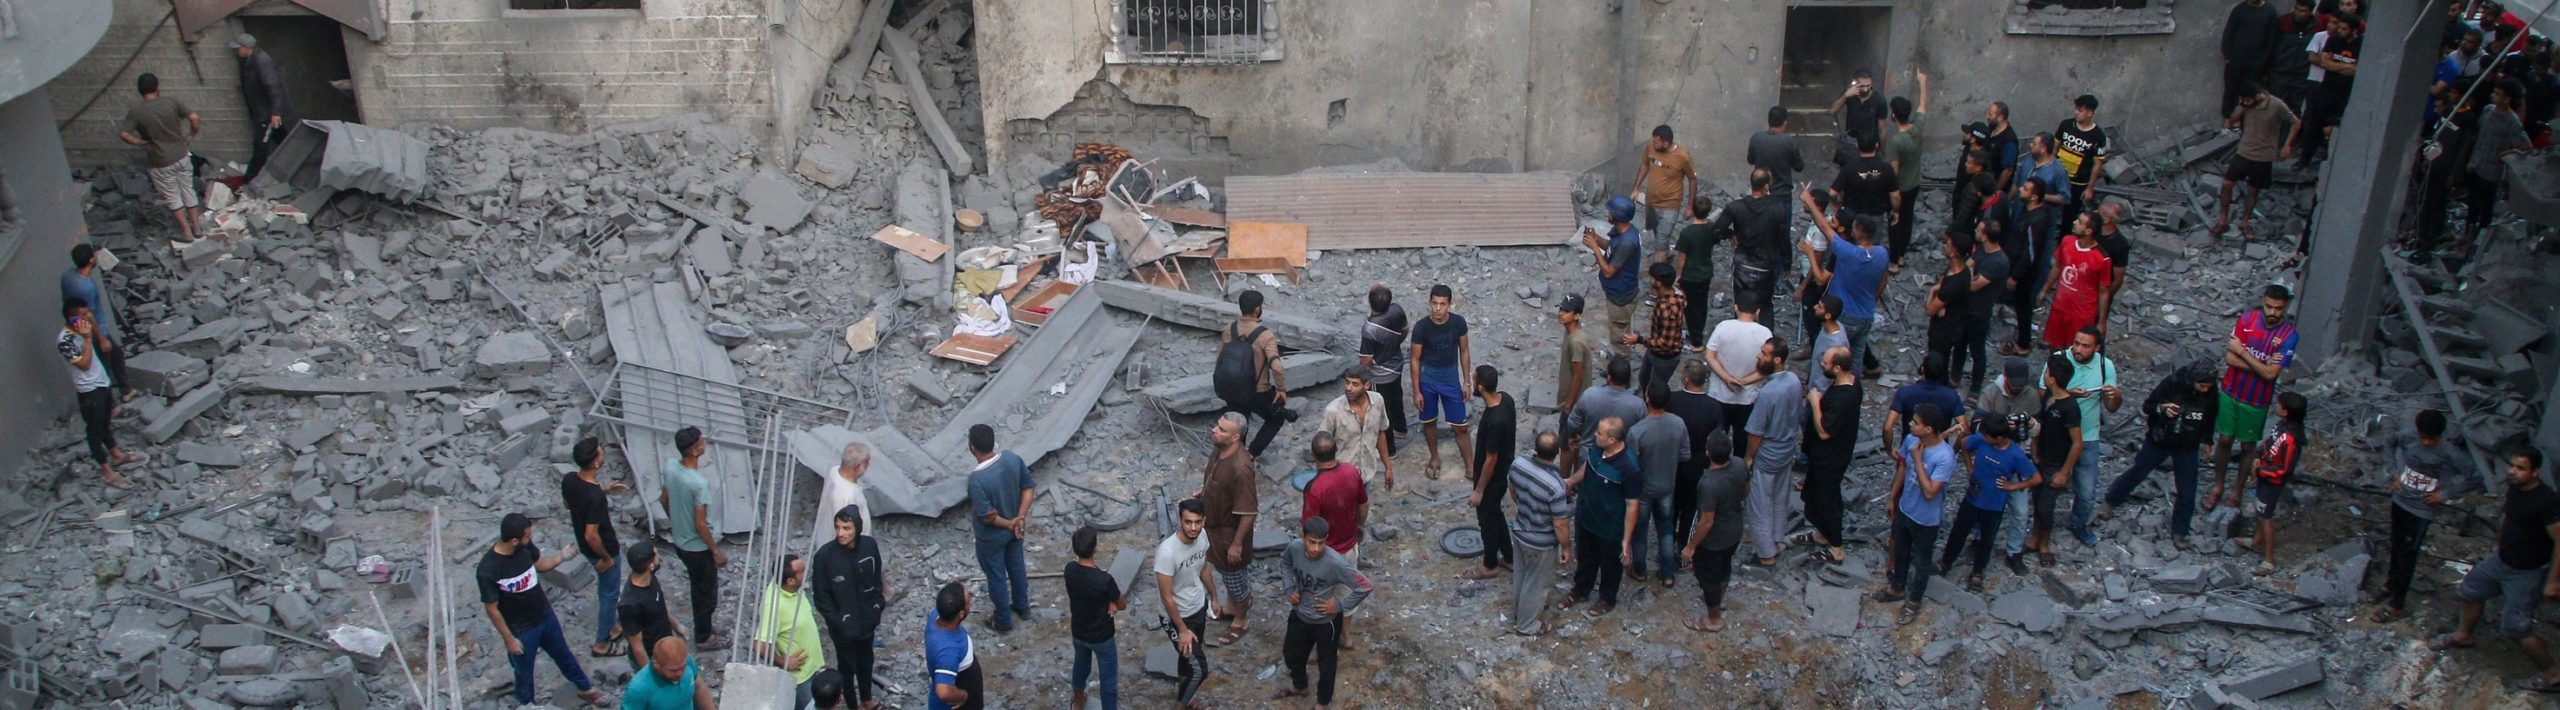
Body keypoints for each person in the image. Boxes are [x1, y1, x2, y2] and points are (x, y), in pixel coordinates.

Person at [2428, 448, 2560, 693]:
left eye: (2520, 468)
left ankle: (2553, 675)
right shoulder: (2515, 489)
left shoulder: (2546, 501)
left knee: (2516, 627)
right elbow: (2511, 518)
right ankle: (2463, 635)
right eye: (2512, 465)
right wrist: (2500, 541)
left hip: (2526, 572)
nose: (2512, 471)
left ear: (2536, 472)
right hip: (2501, 560)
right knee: (2470, 590)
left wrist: (2553, 581)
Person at [477, 513, 608, 708]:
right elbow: (492, 609)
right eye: (527, 537)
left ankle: (585, 688)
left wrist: (561, 557)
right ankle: (526, 703)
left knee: (563, 654)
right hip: (521, 629)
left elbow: (540, 565)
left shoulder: (524, 548)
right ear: (514, 540)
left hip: (545, 616)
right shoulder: (488, 569)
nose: (530, 540)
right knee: (524, 673)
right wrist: (509, 640)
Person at [2374, 408, 2487, 622]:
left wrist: (2445, 494)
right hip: (2400, 501)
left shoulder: (2450, 453)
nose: (2426, 442)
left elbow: (2474, 477)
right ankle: (2390, 585)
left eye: (2431, 439)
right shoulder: (2408, 436)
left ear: (2440, 435)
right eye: (2423, 437)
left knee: (2408, 555)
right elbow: (2390, 442)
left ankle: (2397, 605)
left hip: (2421, 510)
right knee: (2396, 547)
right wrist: (2393, 472)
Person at [2098, 362, 2221, 549]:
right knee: (2138, 472)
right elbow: (2148, 406)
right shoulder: (2172, 383)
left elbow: (2210, 416)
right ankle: (2111, 500)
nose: (2204, 390)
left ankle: (2180, 531)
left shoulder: (2211, 393)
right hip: (2160, 439)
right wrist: (2162, 409)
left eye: (2208, 386)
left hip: (2188, 444)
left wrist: (2208, 440)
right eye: (2201, 386)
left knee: (2187, 489)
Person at [2207, 285, 2299, 512]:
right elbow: (2230, 358)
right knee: (2225, 440)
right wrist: (2258, 364)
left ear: (2285, 306)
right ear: (2263, 302)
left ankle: (2237, 489)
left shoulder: (2289, 336)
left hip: (2256, 400)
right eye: (2269, 306)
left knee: (2248, 446)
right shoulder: (2247, 320)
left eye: (2278, 308)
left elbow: (2270, 374)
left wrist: (2243, 352)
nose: (2273, 312)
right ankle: (2218, 486)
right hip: (2231, 391)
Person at [1275, 518, 1373, 709]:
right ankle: (1300, 686)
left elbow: (1364, 587)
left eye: (1321, 543)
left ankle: (1322, 703)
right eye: (1312, 542)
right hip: (1301, 614)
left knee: (1326, 666)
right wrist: (1289, 588)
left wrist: (1339, 606)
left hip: (1326, 622)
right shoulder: (1294, 548)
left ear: (1326, 540)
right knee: (1291, 653)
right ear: (1303, 537)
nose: (1315, 548)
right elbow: (1285, 562)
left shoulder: (1335, 562)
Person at [1937, 417, 2038, 591]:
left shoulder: (2015, 455)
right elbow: (1964, 443)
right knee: (1958, 531)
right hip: (1973, 497)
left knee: (1987, 539)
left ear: (1998, 438)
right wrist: (1970, 469)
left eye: (1987, 436)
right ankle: (1945, 562)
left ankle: (1978, 571)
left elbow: (2036, 478)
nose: (1984, 438)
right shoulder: (1982, 440)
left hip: (1994, 504)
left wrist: (2012, 486)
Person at [1879, 405, 1955, 626]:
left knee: (1921, 563)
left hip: (1926, 519)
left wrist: (1918, 460)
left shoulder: (1944, 456)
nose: (1910, 424)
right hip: (1905, 508)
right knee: (1900, 551)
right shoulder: (1912, 441)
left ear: (1929, 429)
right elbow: (1903, 468)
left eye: (1916, 422)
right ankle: (1896, 588)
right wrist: (1892, 497)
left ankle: (1913, 602)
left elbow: (1931, 492)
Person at [1802, 194, 1890, 378]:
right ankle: (1851, 388)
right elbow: (1883, 280)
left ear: (1857, 231)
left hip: (1844, 315)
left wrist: (1810, 202)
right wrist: (1872, 298)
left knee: (1828, 357)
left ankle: (1821, 392)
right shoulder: (1881, 253)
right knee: (1855, 359)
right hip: (1866, 314)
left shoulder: (1847, 252)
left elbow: (1825, 228)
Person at [2051, 328, 2121, 549]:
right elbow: (2043, 395)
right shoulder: (2059, 359)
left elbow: (2111, 408)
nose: (2078, 349)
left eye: (2085, 345)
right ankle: (2042, 526)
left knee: (2087, 491)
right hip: (2058, 433)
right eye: (2076, 343)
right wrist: (2069, 394)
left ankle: (2078, 522)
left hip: (2088, 435)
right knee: (2048, 483)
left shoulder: (2105, 366)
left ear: (2097, 348)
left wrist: (2115, 396)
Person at [811, 505, 886, 710]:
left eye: (846, 528)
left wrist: (878, 606)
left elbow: (877, 578)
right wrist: (838, 622)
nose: (841, 533)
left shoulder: (869, 546)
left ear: (857, 528)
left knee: (866, 661)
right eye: (838, 527)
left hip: (867, 622)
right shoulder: (825, 557)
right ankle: (853, 705)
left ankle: (867, 699)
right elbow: (821, 597)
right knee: (846, 668)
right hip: (843, 629)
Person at [560, 437, 630, 657]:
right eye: (601, 452)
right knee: (609, 593)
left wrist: (603, 491)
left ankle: (611, 625)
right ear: (595, 463)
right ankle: (602, 642)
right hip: (603, 549)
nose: (603, 454)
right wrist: (606, 557)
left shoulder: (570, 479)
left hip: (586, 548)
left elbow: (569, 503)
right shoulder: (594, 497)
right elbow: (592, 535)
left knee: (606, 590)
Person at [1299, 432, 1369, 649]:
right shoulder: (1351, 472)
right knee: (1347, 593)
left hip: (1325, 553)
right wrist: (1359, 526)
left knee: (1318, 599)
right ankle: (1346, 636)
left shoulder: (1315, 488)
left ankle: (1317, 646)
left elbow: (1310, 528)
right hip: (1348, 545)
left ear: (1313, 455)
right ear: (1335, 449)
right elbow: (1363, 504)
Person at [1562, 417, 1637, 617]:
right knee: (1585, 557)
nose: (1595, 435)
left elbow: (1632, 505)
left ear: (1612, 440)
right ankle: (1580, 590)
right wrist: (1570, 481)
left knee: (1610, 564)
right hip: (1587, 518)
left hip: (1610, 527)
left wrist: (1626, 541)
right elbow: (1587, 468)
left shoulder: (1629, 467)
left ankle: (1607, 598)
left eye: (1600, 433)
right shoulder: (1597, 450)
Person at [116, 73, 203, 246]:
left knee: (173, 196)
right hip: (181, 154)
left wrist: (141, 143)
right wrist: (191, 134)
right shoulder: (171, 102)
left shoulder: (137, 111)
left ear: (140, 91)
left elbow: (123, 133)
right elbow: (194, 117)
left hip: (160, 161)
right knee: (188, 190)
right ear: (158, 87)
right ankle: (197, 228)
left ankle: (186, 232)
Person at [60, 301, 140, 490]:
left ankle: (117, 455)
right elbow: (84, 364)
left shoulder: (86, 329)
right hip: (89, 391)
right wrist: (87, 339)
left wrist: (94, 327)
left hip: (102, 383)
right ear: (73, 319)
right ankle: (107, 472)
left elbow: (105, 346)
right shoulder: (66, 341)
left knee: (105, 422)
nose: (87, 318)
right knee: (95, 431)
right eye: (84, 315)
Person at [661, 426, 727, 650]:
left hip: (680, 541)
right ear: (693, 450)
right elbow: (700, 523)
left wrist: (676, 520)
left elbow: (664, 498)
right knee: (705, 592)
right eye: (700, 441)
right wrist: (715, 550)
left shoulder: (670, 467)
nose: (704, 442)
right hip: (697, 548)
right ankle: (704, 636)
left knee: (698, 587)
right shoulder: (698, 484)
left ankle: (705, 626)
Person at [965, 424, 1035, 633]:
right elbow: (1028, 487)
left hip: (991, 537)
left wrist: (1010, 523)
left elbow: (988, 516)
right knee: (1016, 566)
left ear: (972, 448)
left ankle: (1003, 621)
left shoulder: (977, 480)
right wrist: (1019, 518)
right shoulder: (1012, 459)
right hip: (1016, 529)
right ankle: (1022, 606)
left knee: (996, 576)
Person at [2211, 82, 2304, 238]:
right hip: (2244, 152)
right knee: (2227, 184)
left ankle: (2245, 222)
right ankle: (2223, 220)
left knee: (2253, 190)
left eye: (2247, 100)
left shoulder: (2277, 105)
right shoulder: (2245, 105)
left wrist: (2287, 145)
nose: (2246, 102)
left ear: (2258, 97)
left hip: (2263, 156)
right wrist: (2242, 107)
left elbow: (2296, 122)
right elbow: (2232, 120)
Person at [1742, 338, 1804, 567]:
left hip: (1769, 451)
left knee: (1759, 503)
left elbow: (1755, 431)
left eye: (1764, 353)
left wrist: (1749, 457)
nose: (1759, 356)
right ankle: (1777, 538)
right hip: (1787, 448)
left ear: (1777, 360)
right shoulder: (1794, 381)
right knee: (1780, 497)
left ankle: (1766, 553)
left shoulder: (1768, 393)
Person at [1198, 412, 1260, 645]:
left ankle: (1241, 620)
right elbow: (1214, 479)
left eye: (1222, 430)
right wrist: (1204, 493)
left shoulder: (1241, 468)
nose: (1215, 430)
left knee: (1235, 578)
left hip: (1229, 535)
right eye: (1217, 426)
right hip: (1213, 529)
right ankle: (1232, 607)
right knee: (1226, 574)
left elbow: (1248, 512)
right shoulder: (1219, 450)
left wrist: (1236, 544)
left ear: (1236, 438)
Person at [1505, 431, 1573, 636]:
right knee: (1536, 584)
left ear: (1536, 448)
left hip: (1520, 530)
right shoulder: (1555, 486)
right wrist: (1566, 546)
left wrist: (1523, 505)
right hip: (1540, 542)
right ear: (1557, 453)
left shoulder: (1519, 464)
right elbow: (1560, 523)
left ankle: (1520, 612)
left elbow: (1513, 489)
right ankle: (1527, 625)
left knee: (1522, 575)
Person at [1408, 284, 1476, 478]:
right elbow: (1414, 358)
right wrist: (1416, 391)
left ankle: (1470, 466)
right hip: (1427, 380)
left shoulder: (1458, 323)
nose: (1438, 309)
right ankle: (1435, 457)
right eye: (1434, 303)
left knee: (1460, 427)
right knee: (1429, 422)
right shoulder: (1421, 327)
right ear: (1430, 303)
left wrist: (1467, 381)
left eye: (1442, 304)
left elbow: (1464, 351)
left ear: (1449, 304)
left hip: (1450, 379)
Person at [1663, 360, 1725, 570]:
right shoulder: (1714, 407)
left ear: (1686, 379)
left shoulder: (1672, 400)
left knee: (1670, 507)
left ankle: (1666, 546)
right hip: (1699, 465)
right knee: (1690, 509)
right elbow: (1718, 438)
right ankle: (1684, 547)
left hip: (1673, 462)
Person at [1627, 384, 1691, 585]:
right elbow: (1685, 455)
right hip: (1667, 486)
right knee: (1666, 528)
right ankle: (1667, 573)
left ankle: (1639, 569)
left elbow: (1631, 465)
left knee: (1641, 530)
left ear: (1647, 398)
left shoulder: (1637, 431)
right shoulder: (1678, 423)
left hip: (1644, 488)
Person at [1803, 346, 1861, 564]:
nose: (1821, 365)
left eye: (1826, 363)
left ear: (1838, 368)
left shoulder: (1843, 398)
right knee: (1815, 495)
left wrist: (1815, 403)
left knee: (1827, 500)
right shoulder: (1851, 383)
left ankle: (1836, 548)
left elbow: (1825, 431)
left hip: (1829, 458)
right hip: (1829, 454)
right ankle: (1822, 533)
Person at [2026, 354, 2085, 568]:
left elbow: (2077, 443)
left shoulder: (2069, 407)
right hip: (2040, 458)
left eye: (2047, 372)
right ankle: (2034, 537)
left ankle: (2044, 543)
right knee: (2037, 499)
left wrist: (2064, 472)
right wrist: (2034, 444)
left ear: (2052, 378)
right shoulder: (2049, 397)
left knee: (2046, 506)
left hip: (2055, 464)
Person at [1220, 290, 1295, 458]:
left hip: (1231, 389)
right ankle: (1252, 454)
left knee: (1239, 422)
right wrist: (1281, 389)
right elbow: (1276, 367)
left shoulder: (1228, 330)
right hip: (1257, 392)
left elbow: (1220, 359)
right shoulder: (1265, 335)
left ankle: (1233, 455)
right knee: (1276, 419)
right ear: (1257, 309)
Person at [1156, 499, 1214, 709]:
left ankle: (1186, 695)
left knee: (1187, 660)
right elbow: (1166, 596)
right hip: (1175, 618)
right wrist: (1181, 629)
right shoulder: (1167, 552)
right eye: (1188, 522)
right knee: (1200, 669)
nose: (1193, 527)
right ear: (1180, 520)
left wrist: (1214, 597)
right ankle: (1180, 706)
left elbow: (1204, 567)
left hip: (1198, 606)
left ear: (1203, 521)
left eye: (1198, 522)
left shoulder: (1202, 537)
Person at [2462, 79, 2531, 253]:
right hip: (2476, 164)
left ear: (2507, 99)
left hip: (2491, 171)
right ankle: (2467, 238)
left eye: (2498, 93)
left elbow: (2525, 146)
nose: (2494, 95)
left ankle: (2479, 243)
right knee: (2472, 204)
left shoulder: (2511, 121)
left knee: (2485, 209)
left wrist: (2505, 154)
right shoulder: (2487, 111)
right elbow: (2480, 137)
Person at [1713, 169, 1792, 313]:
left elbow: (1717, 230)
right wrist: (1787, 264)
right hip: (1765, 265)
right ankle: (1766, 333)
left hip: (1742, 263)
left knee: (1741, 304)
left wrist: (1730, 234)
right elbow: (1783, 240)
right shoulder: (1777, 209)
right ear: (1767, 187)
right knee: (1766, 305)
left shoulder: (1736, 207)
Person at [60, 245, 132, 403]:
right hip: (94, 329)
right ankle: (115, 400)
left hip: (75, 324)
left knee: (114, 356)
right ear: (91, 260)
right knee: (106, 362)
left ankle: (123, 391)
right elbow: (89, 315)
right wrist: (101, 338)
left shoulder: (68, 276)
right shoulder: (86, 288)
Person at [1064, 526, 1125, 710]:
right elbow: (1121, 604)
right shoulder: (1104, 580)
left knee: (1080, 668)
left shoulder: (1070, 570)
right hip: (1102, 636)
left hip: (1079, 632)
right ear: (1095, 548)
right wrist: (1112, 602)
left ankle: (1078, 702)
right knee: (1108, 680)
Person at [1466, 366, 1518, 581]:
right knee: (1495, 514)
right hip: (1503, 471)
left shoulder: (1495, 421)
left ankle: (1489, 564)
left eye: (1473, 379)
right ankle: (1509, 556)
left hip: (1491, 478)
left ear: (1480, 387)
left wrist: (1479, 489)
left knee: (1487, 520)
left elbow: (1491, 458)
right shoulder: (1506, 399)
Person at [754, 554, 826, 708]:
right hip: (801, 680)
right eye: (802, 570)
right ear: (790, 581)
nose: (806, 572)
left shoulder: (790, 587)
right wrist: (783, 661)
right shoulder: (774, 606)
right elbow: (760, 646)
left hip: (813, 668)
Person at [2247, 392, 2306, 576]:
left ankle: (2269, 558)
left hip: (2273, 480)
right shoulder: (2281, 426)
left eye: (2279, 404)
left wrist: (2259, 471)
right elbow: (2268, 442)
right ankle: (2256, 540)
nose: (2276, 405)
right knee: (2260, 509)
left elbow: (2284, 468)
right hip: (2265, 474)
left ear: (2286, 411)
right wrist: (2257, 455)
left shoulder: (2290, 438)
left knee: (2265, 516)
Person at [2003, 178, 2061, 357]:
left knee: (2023, 306)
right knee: (2021, 305)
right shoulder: (2030, 212)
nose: (2020, 189)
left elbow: (2030, 253)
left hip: (2024, 274)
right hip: (2018, 267)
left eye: (2025, 189)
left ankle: (2023, 342)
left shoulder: (2036, 220)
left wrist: (2015, 276)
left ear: (2034, 197)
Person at [1702, 303, 1772, 451]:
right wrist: (1743, 381)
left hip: (1719, 394)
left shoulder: (1723, 327)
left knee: (1717, 438)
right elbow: (1767, 368)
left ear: (1736, 307)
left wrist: (1727, 378)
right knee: (1742, 439)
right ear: (1758, 311)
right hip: (1747, 397)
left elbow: (1709, 355)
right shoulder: (1765, 333)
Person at [2298, 11, 2363, 169]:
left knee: (2340, 128)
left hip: (2346, 94)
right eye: (2339, 28)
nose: (2339, 31)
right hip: (2327, 89)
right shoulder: (2334, 40)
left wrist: (2337, 66)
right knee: (2313, 124)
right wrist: (2346, 67)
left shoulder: (2361, 44)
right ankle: (2304, 160)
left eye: (2344, 29)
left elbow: (2359, 70)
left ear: (2354, 30)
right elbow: (2324, 62)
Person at [1565, 356, 1647, 479]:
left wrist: (1573, 436)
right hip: (1620, 463)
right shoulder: (1638, 405)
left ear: (1609, 377)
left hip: (1587, 457)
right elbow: (1643, 435)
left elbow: (1573, 423)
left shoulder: (1590, 395)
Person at [2040, 214, 2114, 352]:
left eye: (2079, 222)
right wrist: (2045, 289)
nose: (2074, 222)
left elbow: (2104, 291)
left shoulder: (2102, 259)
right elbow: (2058, 266)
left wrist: (2102, 321)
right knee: (2054, 346)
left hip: (2081, 314)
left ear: (2088, 231)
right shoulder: (2067, 241)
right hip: (2059, 306)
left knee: (2076, 350)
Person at [1582, 197, 1646, 349]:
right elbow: (1612, 248)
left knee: (1619, 336)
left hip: (1621, 297)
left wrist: (1595, 249)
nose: (1607, 214)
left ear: (1617, 216)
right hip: (1618, 292)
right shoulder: (1624, 233)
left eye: (1610, 212)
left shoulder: (1626, 242)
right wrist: (1596, 239)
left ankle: (1621, 365)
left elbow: (1609, 271)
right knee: (1619, 328)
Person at [1884, 69, 1932, 270]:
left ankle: (1894, 261)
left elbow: (1893, 170)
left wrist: (1888, 192)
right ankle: (1902, 254)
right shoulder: (1918, 128)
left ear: (1893, 115)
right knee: (1907, 220)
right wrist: (1922, 82)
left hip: (1900, 187)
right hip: (1914, 184)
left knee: (1895, 221)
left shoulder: (1896, 142)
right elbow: (1923, 105)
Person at [1317, 370, 1393, 492]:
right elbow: (1320, 447)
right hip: (1340, 478)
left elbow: (1380, 432)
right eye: (1347, 383)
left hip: (1366, 474)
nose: (1349, 388)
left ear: (1366, 385)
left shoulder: (1377, 401)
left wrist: (1388, 467)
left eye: (1355, 384)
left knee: (1363, 507)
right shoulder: (1333, 411)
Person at [231, 34, 290, 179]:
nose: (236, 51)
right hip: (263, 111)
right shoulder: (250, 60)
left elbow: (273, 87)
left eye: (238, 48)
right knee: (282, 139)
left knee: (260, 146)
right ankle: (296, 161)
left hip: (267, 114)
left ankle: (251, 178)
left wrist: (276, 113)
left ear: (246, 48)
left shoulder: (261, 61)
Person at [1359, 285, 1411, 447]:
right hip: (1396, 366)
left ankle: (1389, 448)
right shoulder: (1397, 311)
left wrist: (1359, 377)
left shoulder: (1370, 328)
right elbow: (1405, 330)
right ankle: (1401, 428)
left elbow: (1366, 359)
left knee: (1381, 410)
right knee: (1396, 397)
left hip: (1379, 375)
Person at [617, 545, 683, 673]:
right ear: (650, 566)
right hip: (652, 657)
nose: (660, 557)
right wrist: (650, 676)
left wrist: (676, 626)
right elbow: (637, 647)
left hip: (665, 644)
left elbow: (660, 607)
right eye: (656, 555)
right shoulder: (630, 605)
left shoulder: (650, 578)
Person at [1962, 219, 2011, 393]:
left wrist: (1968, 273)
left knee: (1977, 351)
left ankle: (1975, 389)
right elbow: (1967, 266)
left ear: (1984, 236)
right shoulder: (1982, 251)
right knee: (1960, 343)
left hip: (1979, 312)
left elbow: (1973, 284)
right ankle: (1954, 376)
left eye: (1979, 229)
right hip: (1966, 307)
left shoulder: (1998, 262)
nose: (1975, 230)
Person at [1630, 124, 1699, 247]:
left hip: (1669, 206)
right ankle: (1660, 257)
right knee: (1653, 232)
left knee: (1662, 240)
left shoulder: (1683, 157)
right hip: (1650, 202)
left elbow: (1692, 179)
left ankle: (1660, 263)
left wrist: (1690, 206)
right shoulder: (1650, 148)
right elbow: (1645, 165)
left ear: (1666, 143)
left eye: (1656, 142)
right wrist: (1636, 188)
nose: (1653, 144)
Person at [1884, 354, 1970, 449]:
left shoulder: (1905, 393)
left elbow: (1887, 427)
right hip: (1938, 451)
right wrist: (1953, 451)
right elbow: (1965, 430)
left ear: (1922, 369)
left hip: (1910, 449)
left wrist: (1889, 450)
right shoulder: (1951, 396)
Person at [1630, 262, 1687, 397]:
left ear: (1659, 283)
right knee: (1644, 379)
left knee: (1655, 391)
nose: (1650, 280)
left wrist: (1639, 340)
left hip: (1664, 357)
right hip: (1654, 350)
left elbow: (1665, 343)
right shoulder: (1675, 294)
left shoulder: (1668, 310)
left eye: (1653, 278)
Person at [1830, 134, 1902, 241]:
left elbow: (1832, 193)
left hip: (1853, 215)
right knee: (1872, 246)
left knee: (1851, 246)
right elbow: (1895, 196)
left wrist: (1836, 204)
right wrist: (1895, 211)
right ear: (1876, 145)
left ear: (1857, 146)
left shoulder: (1849, 167)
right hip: (1875, 215)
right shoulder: (1886, 168)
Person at [925, 583, 984, 710]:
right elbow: (944, 691)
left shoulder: (935, 616)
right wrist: (963, 696)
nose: (971, 604)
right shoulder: (948, 651)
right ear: (961, 614)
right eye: (969, 602)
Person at [2223, 0, 2283, 117]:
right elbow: (2229, 33)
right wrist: (2228, 56)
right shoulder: (2239, 10)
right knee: (2231, 90)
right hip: (2236, 59)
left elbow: (2271, 41)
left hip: (2256, 63)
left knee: (2251, 93)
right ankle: (2227, 120)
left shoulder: (2270, 12)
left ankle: (2244, 123)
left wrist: (2264, 63)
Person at [813, 442, 873, 555]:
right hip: (839, 554)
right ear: (857, 467)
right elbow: (843, 535)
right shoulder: (845, 497)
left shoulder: (834, 471)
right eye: (866, 463)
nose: (869, 465)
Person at [1673, 196, 1718, 348]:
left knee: (1690, 307)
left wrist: (1678, 275)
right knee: (1702, 304)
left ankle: (1696, 340)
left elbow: (1681, 258)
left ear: (1693, 210)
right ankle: (1699, 331)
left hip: (1690, 275)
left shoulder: (1687, 233)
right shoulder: (1712, 228)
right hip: (1705, 272)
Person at [622, 636, 715, 710]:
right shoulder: (638, 690)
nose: (679, 674)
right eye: (673, 670)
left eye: (682, 667)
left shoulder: (686, 661)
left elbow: (698, 687)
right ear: (656, 664)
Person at [1554, 295, 1605, 427]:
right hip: (1574, 397)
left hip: (1575, 402)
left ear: (1576, 316)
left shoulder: (1576, 342)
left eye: (1566, 311)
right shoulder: (1570, 332)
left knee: (1568, 437)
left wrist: (1568, 406)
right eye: (1560, 309)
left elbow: (1578, 376)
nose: (1560, 314)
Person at [1926, 241, 1974, 379]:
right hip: (1953, 323)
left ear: (1954, 253)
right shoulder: (1962, 271)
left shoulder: (1954, 284)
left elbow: (1929, 310)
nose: (1945, 247)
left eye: (1948, 246)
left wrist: (1932, 291)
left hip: (1943, 329)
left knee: (1938, 361)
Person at [2271, 0, 2324, 115]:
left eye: (2303, 11)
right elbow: (2271, 45)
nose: (2298, 13)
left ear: (2310, 12)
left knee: (2294, 110)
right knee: (2273, 106)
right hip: (2280, 72)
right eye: (2297, 9)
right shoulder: (2283, 22)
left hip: (2301, 76)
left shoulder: (2317, 28)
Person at [1830, 68, 1889, 167]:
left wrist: (1883, 153)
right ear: (1855, 82)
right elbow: (1833, 110)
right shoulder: (1850, 94)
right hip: (1852, 142)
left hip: (1869, 144)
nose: (1865, 89)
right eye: (1862, 86)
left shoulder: (1879, 101)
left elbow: (1882, 129)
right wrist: (1846, 96)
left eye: (1868, 86)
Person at [1748, 106, 1808, 198]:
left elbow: (1750, 160)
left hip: (1761, 192)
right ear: (1785, 122)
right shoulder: (1790, 142)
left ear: (1768, 122)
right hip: (1782, 193)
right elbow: (1799, 167)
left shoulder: (1756, 138)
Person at [1806, 294, 1850, 393]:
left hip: (1822, 392)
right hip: (1814, 387)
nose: (1815, 307)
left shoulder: (1836, 343)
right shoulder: (1828, 327)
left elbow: (1835, 374)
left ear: (1828, 315)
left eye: (1820, 307)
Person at [1984, 102, 2022, 190]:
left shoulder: (2009, 141)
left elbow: (2008, 170)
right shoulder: (1990, 129)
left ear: (2000, 117)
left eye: (1990, 114)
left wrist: (1997, 192)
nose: (1987, 117)